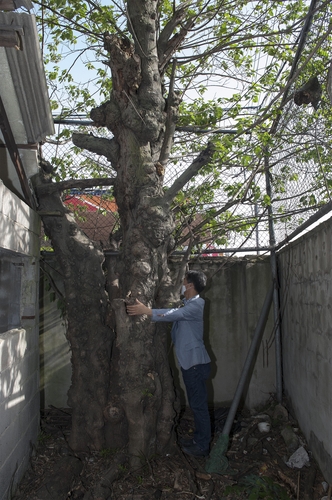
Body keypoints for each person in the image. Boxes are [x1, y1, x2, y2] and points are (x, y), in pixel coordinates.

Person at [126, 270, 211, 457]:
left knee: (198, 406)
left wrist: (147, 312)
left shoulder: (197, 304)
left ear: (189, 285)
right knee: (197, 405)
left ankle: (203, 446)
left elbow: (175, 314)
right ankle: (199, 440)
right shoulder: (188, 303)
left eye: (183, 281)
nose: (181, 283)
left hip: (195, 365)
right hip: (192, 364)